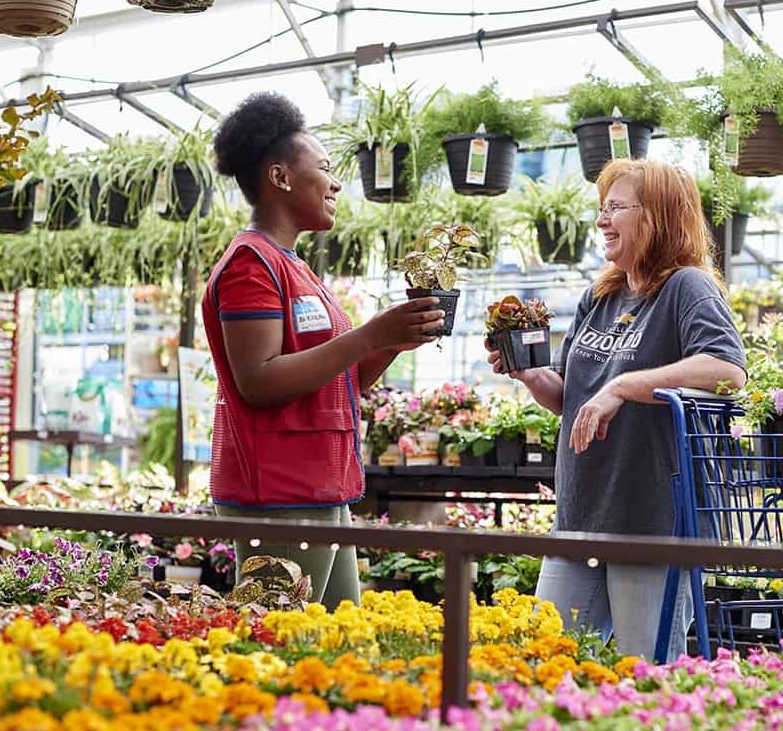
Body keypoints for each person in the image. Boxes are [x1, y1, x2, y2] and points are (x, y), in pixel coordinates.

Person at [486, 158, 748, 660]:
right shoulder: (601, 294)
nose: (602, 220)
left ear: (657, 216)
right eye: (601, 208)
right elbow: (568, 395)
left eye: (616, 208)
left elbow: (726, 369)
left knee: (645, 674)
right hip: (581, 515)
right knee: (543, 662)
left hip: (649, 522)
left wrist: (626, 385)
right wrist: (529, 373)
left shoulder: (685, 288)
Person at [204, 92, 444, 608]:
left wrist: (394, 342)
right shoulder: (251, 265)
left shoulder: (295, 268)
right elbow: (259, 380)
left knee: (335, 639)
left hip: (319, 486)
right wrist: (369, 335)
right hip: (278, 492)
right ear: (280, 178)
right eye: (326, 168)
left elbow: (342, 381)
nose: (336, 183)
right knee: (280, 644)